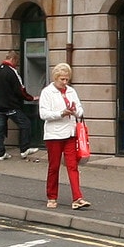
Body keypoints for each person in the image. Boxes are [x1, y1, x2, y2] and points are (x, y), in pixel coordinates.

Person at [35, 63, 89, 211]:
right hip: (54, 135)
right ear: (56, 78)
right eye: (62, 79)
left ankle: (78, 197)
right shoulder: (47, 92)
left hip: (70, 133)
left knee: (73, 166)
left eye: (67, 79)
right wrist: (61, 113)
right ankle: (52, 196)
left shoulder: (71, 91)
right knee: (54, 166)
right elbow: (43, 114)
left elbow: (80, 110)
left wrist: (74, 111)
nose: (65, 82)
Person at [0, 52, 37, 161]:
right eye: (17, 61)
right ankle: (24, 149)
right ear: (14, 59)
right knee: (25, 124)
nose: (17, 64)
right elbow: (20, 90)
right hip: (10, 106)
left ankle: (0, 153)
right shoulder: (12, 72)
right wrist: (31, 98)